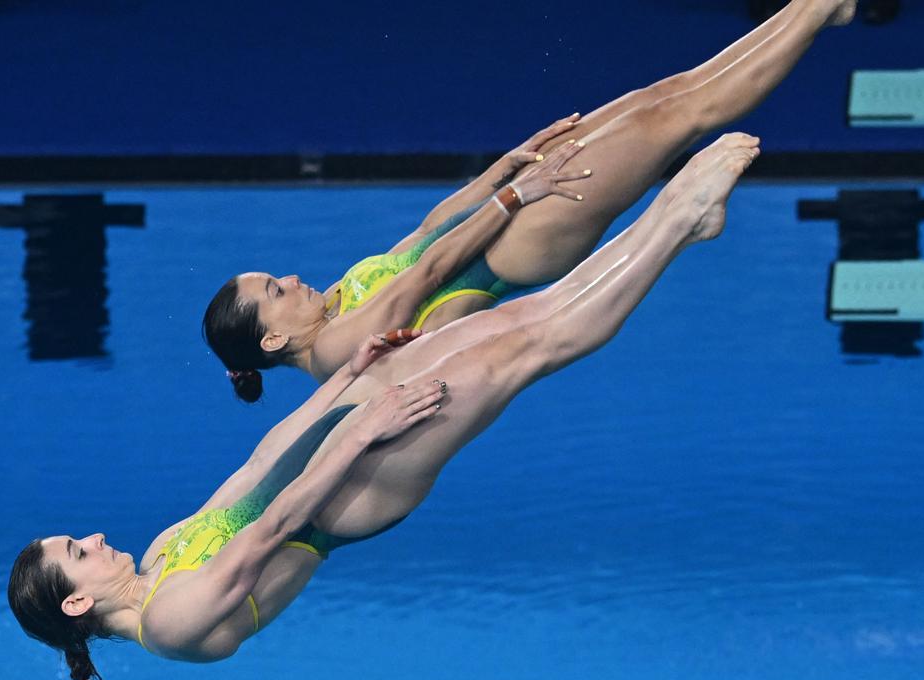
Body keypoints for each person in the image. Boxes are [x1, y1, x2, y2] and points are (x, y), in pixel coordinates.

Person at [9, 131, 762, 680]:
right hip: (352, 488)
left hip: (336, 439)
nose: (97, 538)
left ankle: (678, 226)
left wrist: (348, 378)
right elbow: (273, 527)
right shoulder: (169, 625)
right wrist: (364, 428)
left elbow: (255, 473)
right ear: (77, 602)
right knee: (527, 349)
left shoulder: (165, 554)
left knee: (515, 324)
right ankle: (676, 218)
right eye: (78, 550)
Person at [204, 0, 856, 401]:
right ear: (272, 341)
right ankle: (817, 9)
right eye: (275, 290)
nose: (289, 278)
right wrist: (517, 194)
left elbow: (426, 234)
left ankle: (810, 9)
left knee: (662, 96)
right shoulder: (330, 352)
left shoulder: (337, 300)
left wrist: (505, 165)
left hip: (509, 211)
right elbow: (432, 273)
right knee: (684, 118)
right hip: (517, 246)